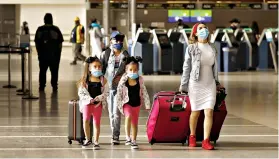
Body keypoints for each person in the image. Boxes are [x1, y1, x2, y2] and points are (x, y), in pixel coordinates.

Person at [179, 23, 223, 150]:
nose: (204, 30)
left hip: (210, 84)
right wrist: (183, 85)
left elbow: (215, 68)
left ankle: (206, 140)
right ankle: (192, 136)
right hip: (195, 83)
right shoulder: (191, 48)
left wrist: (217, 83)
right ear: (195, 33)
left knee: (209, 111)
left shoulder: (212, 48)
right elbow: (186, 67)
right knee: (195, 112)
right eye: (200, 28)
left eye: (205, 28)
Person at [100, 31, 129, 145]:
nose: (119, 42)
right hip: (109, 88)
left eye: (121, 40)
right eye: (116, 40)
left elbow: (130, 70)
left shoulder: (125, 55)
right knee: (111, 113)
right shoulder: (105, 54)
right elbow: (100, 72)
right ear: (111, 41)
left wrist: (122, 77)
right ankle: (114, 132)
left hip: (120, 89)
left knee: (117, 113)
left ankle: (115, 135)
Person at [115, 56, 150, 149]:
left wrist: (147, 104)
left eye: (135, 70)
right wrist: (119, 105)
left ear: (138, 70)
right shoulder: (124, 80)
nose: (133, 72)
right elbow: (118, 92)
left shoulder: (140, 80)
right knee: (128, 117)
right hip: (127, 103)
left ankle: (134, 140)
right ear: (126, 70)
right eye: (130, 69)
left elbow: (144, 92)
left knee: (135, 123)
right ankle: (127, 138)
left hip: (137, 104)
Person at [77, 56, 109, 150]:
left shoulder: (103, 80)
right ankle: (87, 139)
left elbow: (106, 92)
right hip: (87, 104)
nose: (98, 68)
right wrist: (89, 99)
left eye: (99, 66)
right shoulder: (85, 80)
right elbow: (81, 92)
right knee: (86, 120)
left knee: (96, 122)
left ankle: (96, 141)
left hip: (97, 105)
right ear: (89, 68)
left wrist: (99, 98)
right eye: (95, 66)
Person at [34, 13, 64, 92]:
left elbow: (36, 42)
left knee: (42, 71)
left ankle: (41, 86)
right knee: (54, 71)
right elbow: (60, 43)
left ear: (44, 20)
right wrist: (58, 54)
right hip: (54, 55)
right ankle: (54, 86)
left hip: (43, 55)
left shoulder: (40, 29)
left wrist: (39, 53)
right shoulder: (56, 29)